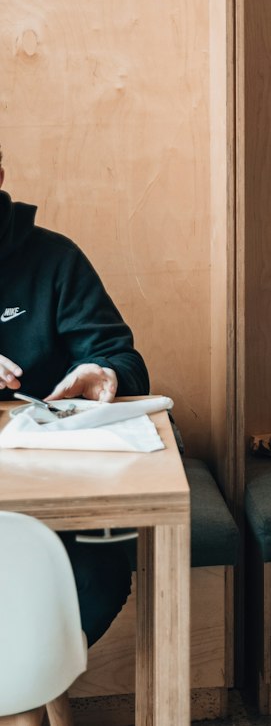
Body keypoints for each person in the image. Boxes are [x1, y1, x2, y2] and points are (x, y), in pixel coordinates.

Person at [0, 144, 151, 646]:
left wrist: (103, 371)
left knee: (99, 576)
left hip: (54, 496)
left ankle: (22, 694)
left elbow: (125, 362)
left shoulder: (53, 259)